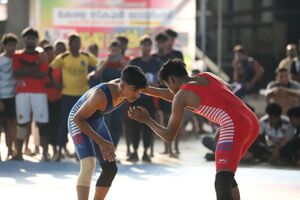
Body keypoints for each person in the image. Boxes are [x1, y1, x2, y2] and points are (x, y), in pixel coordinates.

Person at [128, 59, 259, 200]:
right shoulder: (207, 76)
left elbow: (169, 135)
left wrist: (146, 119)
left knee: (222, 182)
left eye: (167, 85)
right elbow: (227, 89)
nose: (171, 90)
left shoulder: (182, 96)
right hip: (251, 121)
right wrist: (147, 90)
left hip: (233, 125)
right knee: (227, 175)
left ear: (172, 79)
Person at [68, 65, 147, 200]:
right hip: (78, 121)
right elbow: (78, 119)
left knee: (110, 169)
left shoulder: (129, 86)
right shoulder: (100, 96)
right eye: (135, 91)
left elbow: (152, 90)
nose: (137, 95)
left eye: (140, 91)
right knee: (89, 165)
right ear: (122, 86)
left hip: (96, 121)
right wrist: (101, 142)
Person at [12, 27, 49, 160]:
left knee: (43, 123)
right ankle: (19, 153)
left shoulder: (42, 55)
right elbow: (16, 72)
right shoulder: (17, 55)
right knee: (22, 123)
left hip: (39, 93)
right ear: (24, 39)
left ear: (37, 40)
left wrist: (25, 70)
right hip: (22, 93)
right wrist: (35, 67)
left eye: (33, 38)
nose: (31, 40)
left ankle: (45, 154)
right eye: (28, 38)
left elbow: (43, 73)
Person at [0, 33, 18, 160]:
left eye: (14, 45)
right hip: (1, 97)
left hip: (14, 97)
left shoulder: (18, 59)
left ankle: (10, 149)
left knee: (11, 124)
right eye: (9, 45)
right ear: (3, 46)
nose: (12, 48)